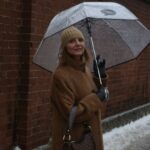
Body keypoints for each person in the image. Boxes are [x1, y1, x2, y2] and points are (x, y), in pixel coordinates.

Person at [51, 26, 108, 150]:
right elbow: (70, 113)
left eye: (80, 40)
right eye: (71, 41)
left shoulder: (85, 69)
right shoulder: (60, 75)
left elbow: (95, 93)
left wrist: (101, 76)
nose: (77, 44)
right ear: (65, 47)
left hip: (90, 137)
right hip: (76, 140)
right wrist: (96, 99)